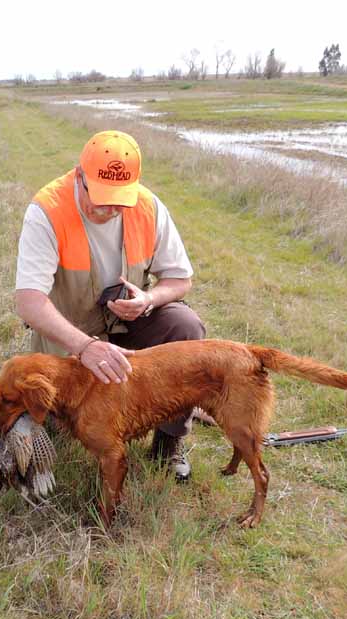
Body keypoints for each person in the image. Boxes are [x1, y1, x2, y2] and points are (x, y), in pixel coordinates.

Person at [14, 130, 206, 480]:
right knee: (60, 422)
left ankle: (168, 445)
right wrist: (85, 346)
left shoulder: (149, 207)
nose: (110, 209)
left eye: (120, 199)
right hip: (69, 335)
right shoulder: (47, 211)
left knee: (187, 328)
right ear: (79, 176)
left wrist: (149, 300)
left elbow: (181, 280)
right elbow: (28, 302)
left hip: (129, 326)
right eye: (101, 197)